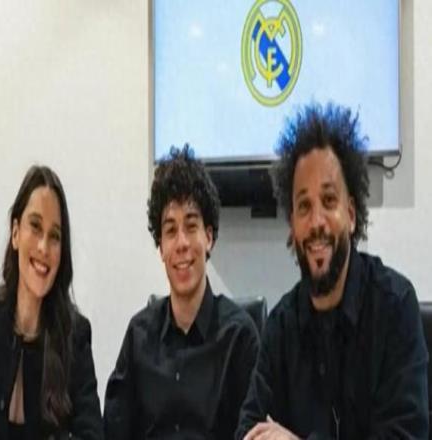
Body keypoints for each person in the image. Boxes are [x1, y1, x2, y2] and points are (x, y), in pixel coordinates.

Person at [236, 102, 429, 440]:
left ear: (351, 214)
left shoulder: (395, 307)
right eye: (304, 206)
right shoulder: (280, 327)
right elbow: (248, 431)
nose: (316, 223)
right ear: (292, 225)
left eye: (328, 201)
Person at [0, 165, 104, 439]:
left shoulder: (75, 335)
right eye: (35, 226)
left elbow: (92, 434)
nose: (43, 247)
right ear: (15, 233)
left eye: (55, 236)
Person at [104, 145, 259, 439]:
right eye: (171, 231)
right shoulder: (138, 336)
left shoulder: (240, 338)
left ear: (209, 237)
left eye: (191, 226)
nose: (182, 243)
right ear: (161, 247)